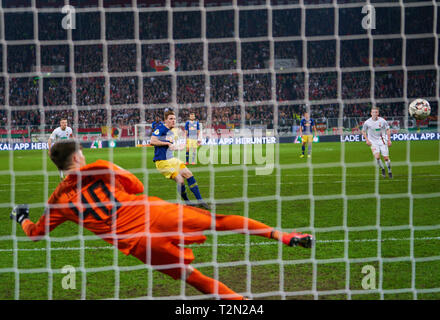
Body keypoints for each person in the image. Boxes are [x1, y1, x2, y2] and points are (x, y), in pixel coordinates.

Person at [10, 140, 314, 300]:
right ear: (77, 158)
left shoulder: (57, 202)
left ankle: (237, 302)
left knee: (190, 275)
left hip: (138, 244)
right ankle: (283, 236)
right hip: (154, 213)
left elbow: (35, 234)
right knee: (217, 221)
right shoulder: (99, 166)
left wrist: (22, 218)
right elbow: (138, 187)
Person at [150, 110, 209, 210]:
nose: (173, 121)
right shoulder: (161, 128)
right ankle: (187, 202)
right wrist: (167, 144)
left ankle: (200, 201)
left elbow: (170, 146)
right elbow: (152, 141)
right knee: (180, 180)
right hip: (162, 162)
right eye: (171, 119)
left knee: (188, 174)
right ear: (166, 120)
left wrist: (177, 147)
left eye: (174, 119)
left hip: (172, 159)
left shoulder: (173, 131)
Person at [362, 107, 393, 178]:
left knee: (386, 158)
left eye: (376, 112)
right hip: (373, 142)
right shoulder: (367, 122)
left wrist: (389, 140)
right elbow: (363, 131)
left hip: (382, 141)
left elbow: (388, 129)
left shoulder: (382, 121)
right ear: (371, 113)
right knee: (377, 157)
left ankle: (389, 170)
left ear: (378, 113)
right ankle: (382, 169)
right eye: (373, 112)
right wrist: (367, 140)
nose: (375, 114)